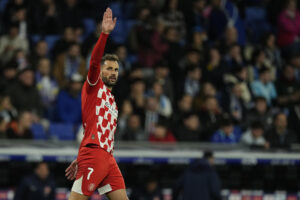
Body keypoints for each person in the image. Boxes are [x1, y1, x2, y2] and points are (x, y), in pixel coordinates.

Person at [65, 8, 128, 200]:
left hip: (107, 157)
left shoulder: (112, 102)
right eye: (109, 68)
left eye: (116, 69)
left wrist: (82, 158)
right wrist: (104, 34)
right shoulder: (94, 86)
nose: (113, 72)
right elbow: (93, 62)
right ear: (100, 72)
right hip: (94, 155)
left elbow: (96, 128)